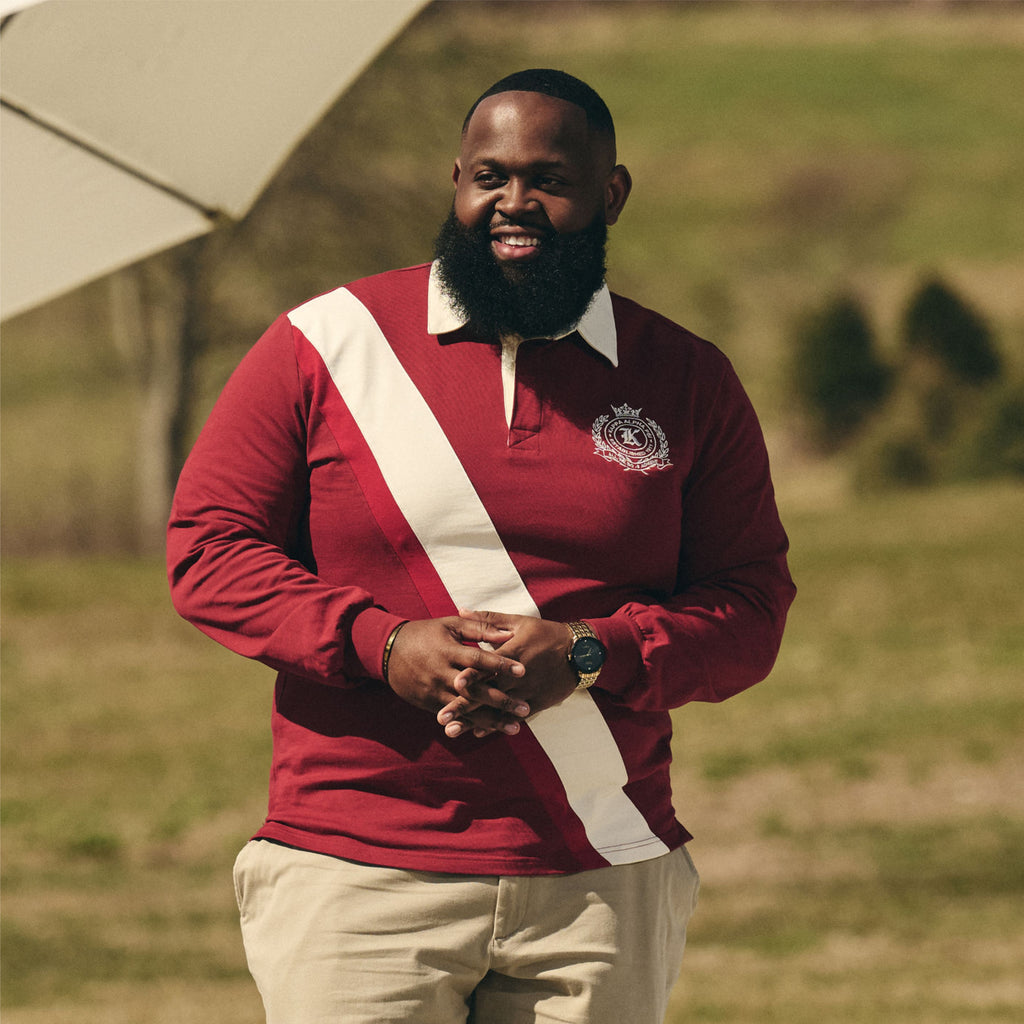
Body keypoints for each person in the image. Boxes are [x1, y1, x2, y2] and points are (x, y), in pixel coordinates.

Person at [167, 68, 795, 1024]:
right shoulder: (325, 343)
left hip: (599, 876)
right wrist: (382, 644)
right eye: (489, 176)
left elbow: (750, 610)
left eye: (549, 179)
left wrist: (592, 653)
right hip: (355, 876)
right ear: (455, 180)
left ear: (611, 192)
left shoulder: (687, 377)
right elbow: (209, 551)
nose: (515, 205)